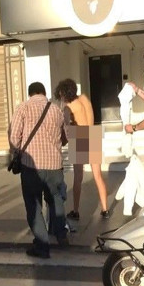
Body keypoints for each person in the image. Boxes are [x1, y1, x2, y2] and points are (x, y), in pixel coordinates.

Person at [10, 82, 68, 259]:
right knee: (56, 199)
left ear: (30, 94)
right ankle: (61, 234)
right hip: (54, 164)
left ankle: (42, 246)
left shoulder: (23, 108)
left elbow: (14, 137)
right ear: (44, 93)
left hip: (31, 165)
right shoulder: (57, 109)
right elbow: (64, 138)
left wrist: (15, 154)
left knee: (34, 204)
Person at [53, 79, 110, 220]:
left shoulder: (68, 107)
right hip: (93, 134)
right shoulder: (85, 98)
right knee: (98, 175)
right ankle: (105, 209)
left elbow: (66, 127)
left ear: (63, 92)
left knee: (78, 178)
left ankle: (76, 210)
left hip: (79, 136)